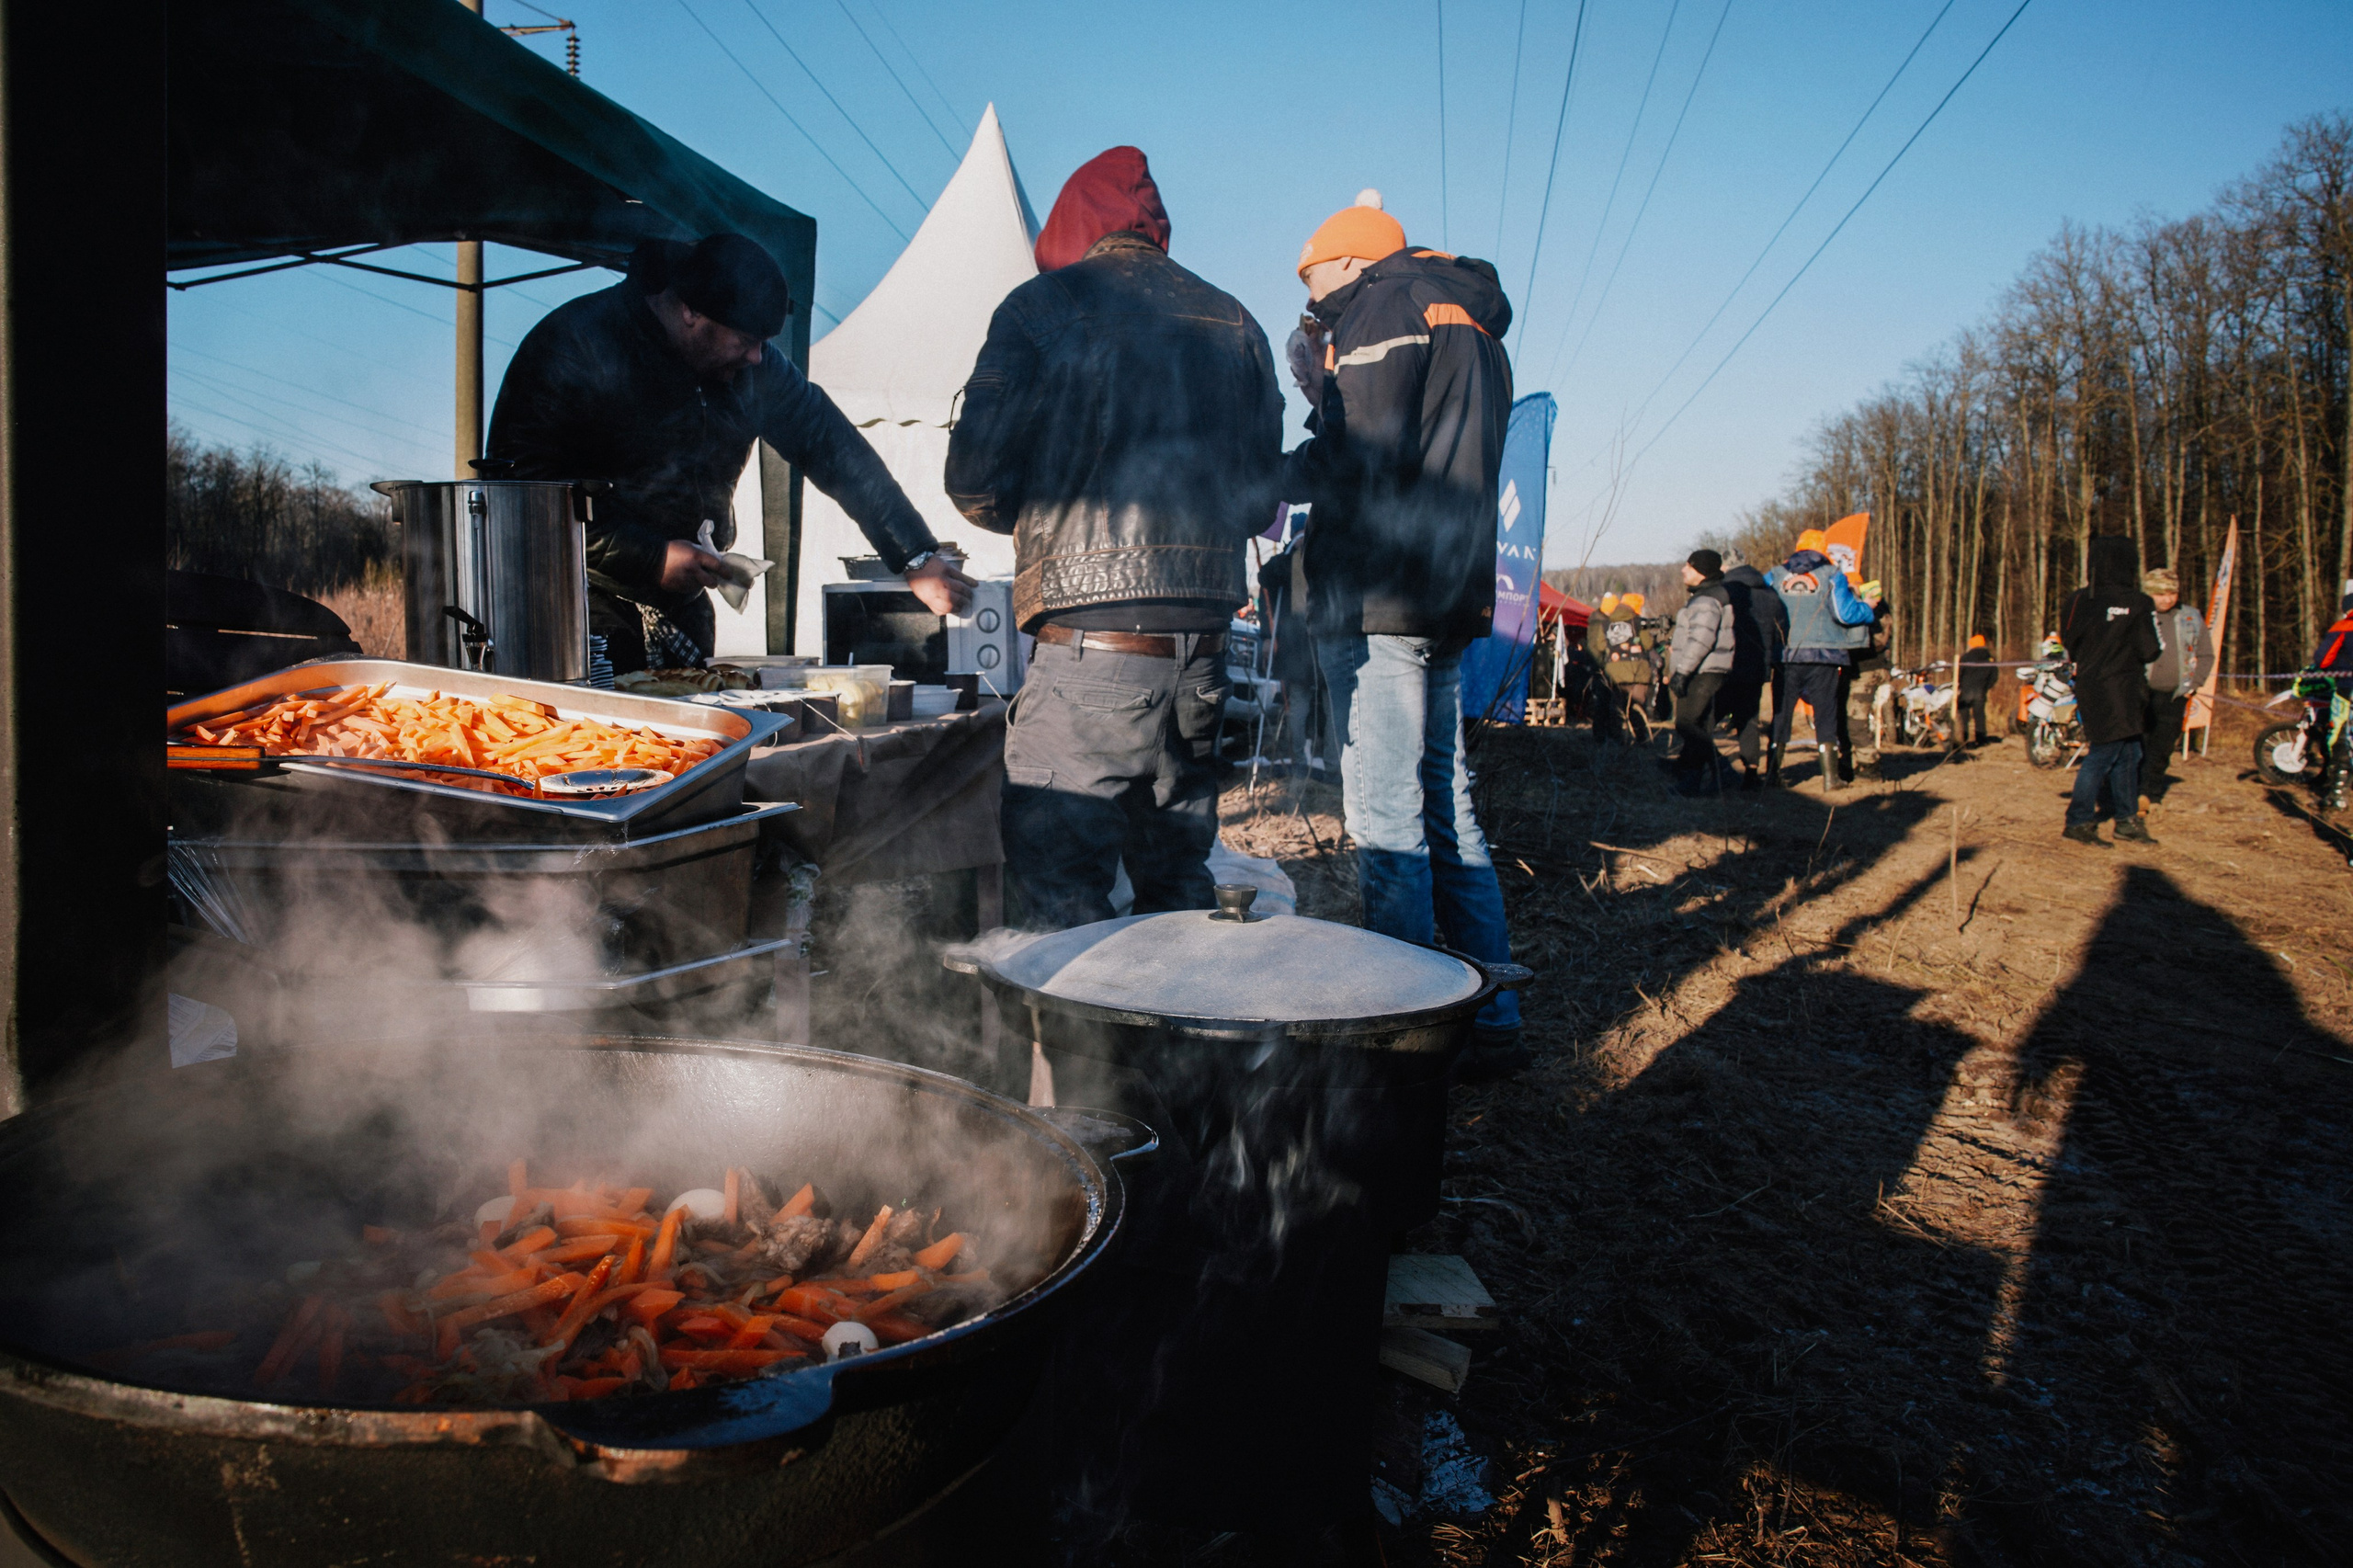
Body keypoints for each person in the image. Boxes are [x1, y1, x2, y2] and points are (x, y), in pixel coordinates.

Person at [946, 147, 1282, 928]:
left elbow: (974, 480)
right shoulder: (1237, 321)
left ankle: (1078, 1050)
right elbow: (1259, 500)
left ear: (1070, 232)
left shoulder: (1037, 309)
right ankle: (1185, 1052)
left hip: (1089, 652)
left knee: (1061, 900)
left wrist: (1040, 515)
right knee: (1178, 888)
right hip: (1201, 655)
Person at [1279, 193, 1525, 1076]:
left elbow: (1363, 450)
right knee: (1447, 812)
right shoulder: (1473, 319)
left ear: (1350, 262)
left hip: (1382, 596)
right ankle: (1491, 1023)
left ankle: (1402, 1040)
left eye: (1317, 285)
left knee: (1388, 821)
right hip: (1449, 592)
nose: (1317, 306)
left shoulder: (1384, 301)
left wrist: (1277, 470)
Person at [487, 233, 972, 673]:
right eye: (745, 340)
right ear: (690, 311)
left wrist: (915, 555)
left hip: (685, 609)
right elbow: (521, 498)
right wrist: (650, 557)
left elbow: (835, 448)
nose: (758, 358)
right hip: (582, 607)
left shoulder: (757, 371)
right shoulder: (575, 344)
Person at [2058, 535, 2161, 846]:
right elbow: (2150, 650)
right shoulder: (2138, 602)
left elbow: (2069, 642)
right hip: (2124, 688)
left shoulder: (2077, 600)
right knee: (2103, 753)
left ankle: (2126, 819)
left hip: (2090, 684)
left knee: (2130, 752)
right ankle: (2078, 820)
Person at [1765, 529, 1878, 787]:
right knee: (1825, 713)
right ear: (1823, 550)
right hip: (1824, 655)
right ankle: (1830, 778)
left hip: (1785, 655)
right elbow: (1845, 614)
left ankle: (1772, 774)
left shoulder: (1775, 574)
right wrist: (1867, 608)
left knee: (1781, 713)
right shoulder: (1832, 574)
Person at [2138, 567, 2214, 814]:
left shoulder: (2190, 616)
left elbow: (2205, 654)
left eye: (2172, 593)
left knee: (2162, 747)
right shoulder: (2137, 615)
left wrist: (2193, 685)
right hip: (2139, 692)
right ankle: (2131, 792)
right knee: (2137, 744)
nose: (2167, 599)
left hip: (2174, 694)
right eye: (2160, 594)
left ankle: (2151, 793)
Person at [1666, 551, 1735, 794]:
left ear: (1702, 572)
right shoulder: (1708, 597)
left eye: (1689, 566)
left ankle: (1722, 769)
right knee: (1701, 727)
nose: (1684, 570)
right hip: (1709, 668)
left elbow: (1701, 640)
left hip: (1704, 670)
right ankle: (1694, 780)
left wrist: (1682, 672)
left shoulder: (1706, 601)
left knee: (1686, 723)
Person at [1719, 553, 1786, 789]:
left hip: (1728, 662)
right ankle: (1751, 772)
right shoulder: (1770, 594)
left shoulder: (1726, 592)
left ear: (1726, 568)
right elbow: (1781, 632)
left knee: (1707, 717)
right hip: (1758, 665)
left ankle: (1702, 766)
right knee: (1749, 719)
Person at [1588, 592, 1654, 740]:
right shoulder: (1638, 622)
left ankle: (1617, 738)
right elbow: (1649, 644)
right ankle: (1642, 738)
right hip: (1638, 672)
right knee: (1636, 708)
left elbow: (1599, 645)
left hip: (1615, 672)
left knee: (1617, 708)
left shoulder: (1605, 624)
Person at [1956, 633, 1997, 746]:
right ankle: (1981, 739)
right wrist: (1986, 687)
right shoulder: (1990, 658)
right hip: (1980, 691)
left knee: (1963, 716)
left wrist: (1958, 686)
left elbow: (1958, 674)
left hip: (1965, 691)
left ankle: (1962, 739)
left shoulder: (1965, 657)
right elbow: (1994, 676)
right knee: (1979, 716)